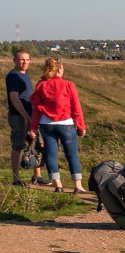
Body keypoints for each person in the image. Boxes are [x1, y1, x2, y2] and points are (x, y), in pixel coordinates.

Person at [29, 58, 86, 194]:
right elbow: (76, 107)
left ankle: (58, 185)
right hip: (66, 123)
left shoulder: (41, 85)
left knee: (51, 155)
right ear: (60, 69)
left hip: (46, 124)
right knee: (72, 155)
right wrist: (81, 126)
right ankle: (78, 186)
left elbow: (36, 108)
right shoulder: (68, 84)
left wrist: (33, 128)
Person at [6, 48, 46, 187]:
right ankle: (16, 179)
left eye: (27, 59)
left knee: (34, 144)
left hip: (30, 116)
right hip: (19, 117)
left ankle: (37, 175)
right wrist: (26, 117)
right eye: (22, 59)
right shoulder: (14, 76)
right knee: (18, 146)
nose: (25, 62)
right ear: (15, 60)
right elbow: (14, 97)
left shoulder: (25, 76)